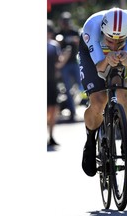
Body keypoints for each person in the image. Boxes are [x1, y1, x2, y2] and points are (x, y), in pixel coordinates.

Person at [78, 7, 127, 177]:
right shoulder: (91, 28)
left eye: (120, 41)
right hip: (92, 52)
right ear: (102, 31)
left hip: (115, 53)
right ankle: (90, 141)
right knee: (99, 100)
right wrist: (107, 58)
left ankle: (126, 145)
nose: (114, 45)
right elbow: (100, 69)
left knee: (122, 91)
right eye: (110, 40)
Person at [47, 20, 71, 150]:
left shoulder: (53, 46)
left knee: (53, 109)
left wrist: (66, 56)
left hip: (52, 82)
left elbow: (59, 64)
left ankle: (51, 136)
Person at [56, 11, 81, 122]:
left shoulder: (74, 31)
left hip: (75, 63)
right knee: (67, 89)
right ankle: (72, 111)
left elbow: (80, 41)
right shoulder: (59, 32)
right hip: (64, 65)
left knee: (82, 85)